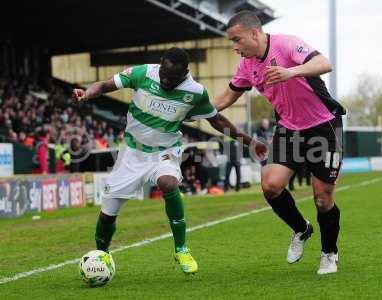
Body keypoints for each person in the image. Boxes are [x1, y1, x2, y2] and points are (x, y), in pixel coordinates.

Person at [72, 47, 267, 275]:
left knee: (168, 182)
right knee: (107, 214)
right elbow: (105, 86)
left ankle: (181, 248)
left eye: (172, 77)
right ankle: (101, 257)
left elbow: (216, 121)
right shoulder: (143, 73)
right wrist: (86, 94)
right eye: (163, 73)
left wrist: (250, 142)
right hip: (132, 153)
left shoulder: (195, 92)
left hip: (165, 151)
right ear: (160, 63)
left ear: (185, 72)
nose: (165, 80)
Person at [215, 11, 346, 275]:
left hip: (324, 127)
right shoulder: (247, 66)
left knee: (323, 199)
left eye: (237, 40)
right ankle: (301, 229)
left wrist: (290, 72)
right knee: (271, 186)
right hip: (289, 129)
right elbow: (229, 94)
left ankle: (329, 253)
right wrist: (195, 109)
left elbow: (324, 63)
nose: (235, 47)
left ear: (254, 33)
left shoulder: (286, 44)